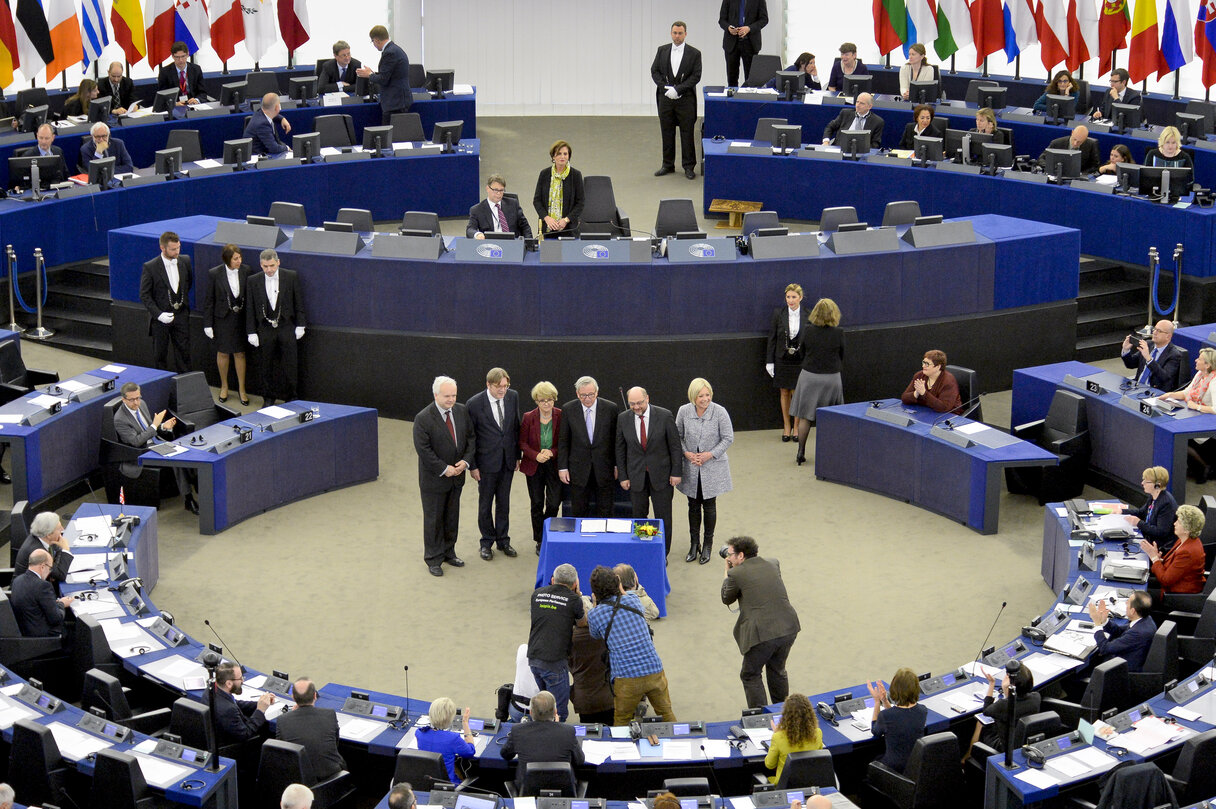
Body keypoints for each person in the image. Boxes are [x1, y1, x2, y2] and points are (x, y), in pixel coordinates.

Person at [587, 565, 677, 725]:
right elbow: (625, 596)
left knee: (621, 722)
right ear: (618, 584)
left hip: (625, 679)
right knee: (667, 714)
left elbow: (595, 635)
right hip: (654, 671)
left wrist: (595, 604)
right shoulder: (634, 599)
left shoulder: (595, 614)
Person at [722, 535, 801, 708]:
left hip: (762, 635)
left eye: (730, 554)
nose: (727, 558)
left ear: (741, 556)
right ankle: (782, 712)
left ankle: (760, 720)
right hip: (788, 627)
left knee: (750, 674)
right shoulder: (773, 563)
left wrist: (727, 572)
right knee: (777, 670)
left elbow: (726, 598)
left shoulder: (735, 573)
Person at [414, 375, 475, 577]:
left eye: (454, 395)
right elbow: (424, 450)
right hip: (434, 480)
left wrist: (465, 462)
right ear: (436, 395)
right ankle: (433, 558)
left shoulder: (462, 410)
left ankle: (449, 552)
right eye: (447, 396)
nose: (451, 399)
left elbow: (471, 438)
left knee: (451, 517)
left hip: (457, 478)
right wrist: (444, 468)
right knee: (434, 520)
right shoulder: (423, 418)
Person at [617, 386, 683, 555]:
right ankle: (645, 548)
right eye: (632, 404)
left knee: (662, 517)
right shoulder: (623, 418)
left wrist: (676, 472)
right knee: (639, 515)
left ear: (648, 399)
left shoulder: (664, 415)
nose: (636, 407)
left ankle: (662, 552)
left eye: (639, 403)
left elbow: (675, 446)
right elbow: (620, 449)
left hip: (662, 476)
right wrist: (623, 476)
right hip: (636, 476)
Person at [114, 381, 197, 513]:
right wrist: (154, 425)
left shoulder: (143, 404)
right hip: (141, 452)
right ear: (124, 399)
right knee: (176, 459)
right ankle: (189, 499)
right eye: (132, 400)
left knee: (187, 451)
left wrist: (163, 426)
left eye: (138, 398)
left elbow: (150, 429)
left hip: (155, 442)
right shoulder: (120, 419)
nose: (136, 403)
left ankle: (195, 484)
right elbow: (136, 441)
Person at [676, 378, 734, 564]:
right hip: (691, 467)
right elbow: (677, 436)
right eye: (701, 395)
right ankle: (695, 544)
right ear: (693, 396)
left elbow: (727, 438)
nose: (705, 399)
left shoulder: (720, 412)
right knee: (692, 505)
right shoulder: (683, 411)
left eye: (707, 395)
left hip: (712, 467)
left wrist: (709, 454)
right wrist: (687, 453)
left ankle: (707, 545)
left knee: (709, 506)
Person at [467, 367, 521, 560]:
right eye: (499, 387)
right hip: (485, 463)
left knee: (504, 502)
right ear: (488, 384)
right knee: (485, 504)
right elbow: (470, 437)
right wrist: (472, 465)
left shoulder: (513, 396)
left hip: (507, 461)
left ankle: (503, 540)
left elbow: (515, 427)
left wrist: (517, 456)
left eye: (506, 386)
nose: (503, 390)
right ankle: (486, 542)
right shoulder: (474, 404)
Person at [245, 249, 306, 405]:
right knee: (265, 365)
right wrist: (251, 331)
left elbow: (298, 302)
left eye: (272, 265)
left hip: (286, 326)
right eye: (265, 266)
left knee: (290, 364)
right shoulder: (253, 281)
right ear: (261, 265)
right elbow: (250, 308)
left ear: (278, 262)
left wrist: (301, 325)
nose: (269, 270)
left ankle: (291, 397)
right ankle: (268, 397)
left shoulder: (291, 276)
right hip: (264, 328)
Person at [791, 298, 844, 466]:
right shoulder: (839, 332)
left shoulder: (807, 331)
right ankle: (828, 454)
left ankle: (800, 452)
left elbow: (802, 354)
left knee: (806, 417)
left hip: (809, 377)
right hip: (831, 378)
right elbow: (842, 355)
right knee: (830, 417)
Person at [528, 563, 584, 722]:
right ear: (574, 584)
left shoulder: (536, 594)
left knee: (544, 708)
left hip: (534, 658)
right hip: (555, 662)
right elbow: (582, 623)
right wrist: (578, 594)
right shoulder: (574, 600)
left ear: (552, 580)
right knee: (558, 712)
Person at [558, 376, 619, 518]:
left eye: (591, 394)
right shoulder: (568, 409)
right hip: (578, 469)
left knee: (606, 509)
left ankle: (604, 539)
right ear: (577, 394)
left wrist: (617, 465)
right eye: (583, 395)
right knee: (579, 510)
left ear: (597, 392)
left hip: (604, 468)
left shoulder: (611, 408)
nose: (587, 398)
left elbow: (616, 440)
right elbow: (563, 441)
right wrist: (562, 467)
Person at [501, 691, 585, 789]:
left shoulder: (518, 731)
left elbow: (505, 754)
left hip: (527, 791)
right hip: (564, 790)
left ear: (531, 712)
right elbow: (580, 760)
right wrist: (558, 726)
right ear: (555, 712)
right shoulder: (568, 731)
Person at [650, 20, 702, 179]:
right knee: (667, 131)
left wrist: (678, 89)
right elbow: (655, 71)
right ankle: (667, 164)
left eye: (680, 33)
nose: (677, 36)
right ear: (671, 33)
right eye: (675, 33)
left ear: (685, 34)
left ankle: (688, 167)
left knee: (687, 133)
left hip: (685, 100)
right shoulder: (662, 50)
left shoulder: (694, 53)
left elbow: (696, 76)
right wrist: (666, 88)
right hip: (666, 98)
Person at [203, 244, 250, 406]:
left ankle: (242, 389)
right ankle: (224, 386)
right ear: (227, 259)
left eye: (240, 258)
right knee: (223, 353)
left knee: (240, 353)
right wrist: (207, 324)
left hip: (241, 319)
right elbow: (209, 300)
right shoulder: (215, 273)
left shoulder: (246, 271)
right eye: (235, 259)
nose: (239, 261)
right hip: (222, 319)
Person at [140, 230, 192, 372]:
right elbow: (144, 295)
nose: (177, 251)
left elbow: (188, 284)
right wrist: (159, 314)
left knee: (184, 353)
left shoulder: (185, 261)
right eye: (173, 249)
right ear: (162, 248)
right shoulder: (150, 267)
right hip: (160, 319)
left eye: (178, 247)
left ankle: (184, 385)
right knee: (160, 355)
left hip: (180, 315)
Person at [1161, 347, 1216, 480]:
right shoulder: (1199, 375)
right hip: (1196, 418)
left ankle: (1202, 469)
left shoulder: (1214, 382)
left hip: (1207, 427)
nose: (1196, 360)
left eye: (1200, 359)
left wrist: (1196, 407)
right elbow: (1186, 393)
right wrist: (1169, 395)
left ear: (1208, 365)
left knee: (1178, 440)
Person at [276, 678, 345, 782]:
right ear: (315, 696)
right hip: (330, 778)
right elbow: (335, 744)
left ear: (293, 697)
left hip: (298, 780)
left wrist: (291, 715)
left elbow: (281, 752)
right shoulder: (329, 715)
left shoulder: (282, 720)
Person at [520, 381, 562, 552]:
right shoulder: (528, 417)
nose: (546, 404)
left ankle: (548, 532)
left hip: (554, 465)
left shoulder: (561, 415)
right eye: (542, 400)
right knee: (536, 503)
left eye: (550, 400)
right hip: (534, 466)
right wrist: (536, 455)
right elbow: (522, 443)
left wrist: (552, 452)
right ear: (536, 401)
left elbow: (565, 442)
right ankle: (540, 539)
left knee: (553, 503)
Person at [966, 664, 1039, 757]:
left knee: (980, 722)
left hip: (1002, 747)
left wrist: (992, 684)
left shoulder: (1002, 705)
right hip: (1023, 741)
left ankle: (967, 758)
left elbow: (986, 712)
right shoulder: (1036, 697)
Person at [867, 668, 927, 773]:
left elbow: (875, 731)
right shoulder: (922, 711)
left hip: (893, 769)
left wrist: (877, 702)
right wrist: (884, 700)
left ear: (894, 689)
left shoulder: (885, 716)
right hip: (915, 766)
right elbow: (900, 716)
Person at [1141, 504, 1207, 597]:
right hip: (1172, 584)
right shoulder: (1184, 539)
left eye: (1179, 522)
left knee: (1137, 593)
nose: (1174, 523)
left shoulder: (1187, 552)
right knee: (1140, 579)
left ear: (1187, 529)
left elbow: (1165, 580)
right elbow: (1173, 565)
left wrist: (1154, 558)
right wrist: (1159, 559)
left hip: (1176, 595)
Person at [767, 284, 805, 443]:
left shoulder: (808, 314)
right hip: (782, 358)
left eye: (794, 297)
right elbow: (772, 338)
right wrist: (770, 361)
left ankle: (797, 427)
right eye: (788, 297)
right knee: (784, 392)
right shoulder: (778, 314)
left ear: (800, 298)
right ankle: (786, 426)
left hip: (800, 359)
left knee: (797, 393)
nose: (790, 300)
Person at [569, 594, 615, 724]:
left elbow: (568, 665)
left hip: (585, 701)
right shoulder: (604, 633)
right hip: (608, 698)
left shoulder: (570, 639)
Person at [1113, 466, 1179, 552]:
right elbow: (1141, 512)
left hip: (1158, 547)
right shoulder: (1154, 496)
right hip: (1148, 538)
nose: (1142, 483)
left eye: (1146, 481)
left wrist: (1139, 523)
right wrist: (1122, 511)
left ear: (1157, 485)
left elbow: (1161, 532)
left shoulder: (1166, 503)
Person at [1088, 591, 1157, 672]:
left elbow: (1105, 648)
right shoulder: (1145, 619)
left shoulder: (1137, 633)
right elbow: (1119, 631)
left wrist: (1097, 624)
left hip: (1120, 672)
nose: (1125, 603)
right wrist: (1104, 621)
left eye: (1128, 602)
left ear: (1133, 611)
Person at [355, 25, 411, 124]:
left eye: (372, 42)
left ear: (376, 40)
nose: (373, 44)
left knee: (391, 136)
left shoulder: (390, 53)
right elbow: (389, 74)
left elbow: (383, 79)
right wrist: (372, 73)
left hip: (395, 102)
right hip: (398, 100)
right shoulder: (394, 49)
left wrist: (369, 75)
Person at [11, 549, 72, 637]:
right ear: (43, 566)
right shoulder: (43, 586)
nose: (50, 572)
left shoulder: (17, 580)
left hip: (25, 629)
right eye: (50, 568)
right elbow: (56, 619)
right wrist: (62, 603)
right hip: (43, 636)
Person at [763, 693, 822, 783]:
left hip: (784, 786)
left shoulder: (778, 737)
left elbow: (769, 764)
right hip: (809, 783)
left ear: (786, 715)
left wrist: (776, 733)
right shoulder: (817, 733)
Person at [414, 697, 476, 783]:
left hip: (426, 782)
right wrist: (465, 723)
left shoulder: (419, 733)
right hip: (448, 785)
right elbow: (470, 752)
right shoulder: (453, 738)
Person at [213, 661, 276, 742]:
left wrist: (260, 703)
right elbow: (246, 734)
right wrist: (260, 711)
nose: (242, 681)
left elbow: (236, 703)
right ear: (229, 684)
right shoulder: (228, 709)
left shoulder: (213, 690)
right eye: (240, 678)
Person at [532, 140, 584, 236]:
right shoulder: (544, 174)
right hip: (548, 228)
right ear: (553, 156)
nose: (562, 157)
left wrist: (566, 220)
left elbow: (580, 203)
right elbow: (537, 201)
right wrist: (546, 218)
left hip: (568, 229)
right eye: (559, 154)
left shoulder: (576, 175)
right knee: (551, 251)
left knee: (568, 251)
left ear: (569, 156)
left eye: (565, 154)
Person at [13, 511, 72, 594]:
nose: (62, 529)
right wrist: (65, 549)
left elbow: (55, 565)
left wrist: (54, 571)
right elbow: (61, 575)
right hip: (31, 595)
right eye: (59, 528)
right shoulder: (37, 552)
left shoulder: (41, 537)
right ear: (49, 534)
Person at [1122, 319, 1184, 391]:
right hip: (1136, 387)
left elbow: (1164, 377)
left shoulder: (1174, 355)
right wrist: (1126, 350)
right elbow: (1131, 364)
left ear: (1168, 336)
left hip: (1153, 392)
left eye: (1159, 331)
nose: (1154, 332)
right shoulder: (1148, 344)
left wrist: (1149, 359)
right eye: (1155, 329)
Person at [718, 0, 767, 88]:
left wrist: (749, 28)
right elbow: (722, 20)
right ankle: (733, 100)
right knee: (731, 78)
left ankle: (749, 100)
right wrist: (728, 28)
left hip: (750, 43)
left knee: (750, 79)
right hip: (731, 43)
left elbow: (764, 19)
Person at [466, 174, 533, 239]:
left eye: (501, 190)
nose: (499, 193)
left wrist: (528, 243)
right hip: (491, 245)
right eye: (495, 190)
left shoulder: (513, 204)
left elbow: (525, 227)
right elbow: (470, 229)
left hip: (512, 244)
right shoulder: (477, 210)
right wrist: (477, 234)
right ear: (487, 188)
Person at [900, 349, 961, 414]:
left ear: (938, 367)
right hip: (925, 412)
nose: (923, 366)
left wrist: (924, 393)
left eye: (927, 364)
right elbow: (904, 398)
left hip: (947, 416)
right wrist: (916, 393)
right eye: (923, 362)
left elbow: (944, 408)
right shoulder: (919, 376)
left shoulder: (948, 381)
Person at [243, 93, 292, 158]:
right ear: (277, 107)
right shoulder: (263, 124)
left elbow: (272, 113)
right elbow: (274, 149)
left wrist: (282, 118)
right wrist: (287, 148)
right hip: (256, 158)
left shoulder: (260, 112)